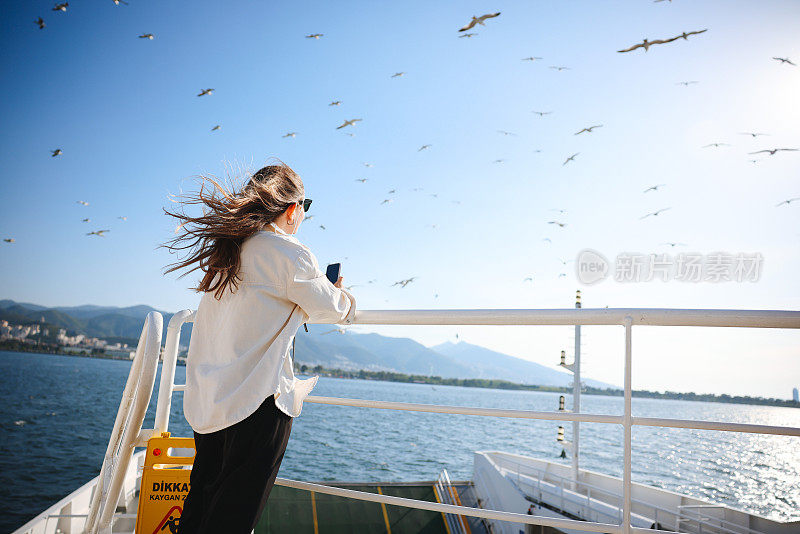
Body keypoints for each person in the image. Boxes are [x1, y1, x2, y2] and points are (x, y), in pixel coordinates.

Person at [160, 160, 356, 533]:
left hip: (211, 404)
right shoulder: (288, 253)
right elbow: (332, 309)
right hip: (258, 404)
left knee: (201, 508)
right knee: (232, 520)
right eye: (305, 207)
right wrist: (341, 293)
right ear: (292, 209)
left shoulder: (227, 253)